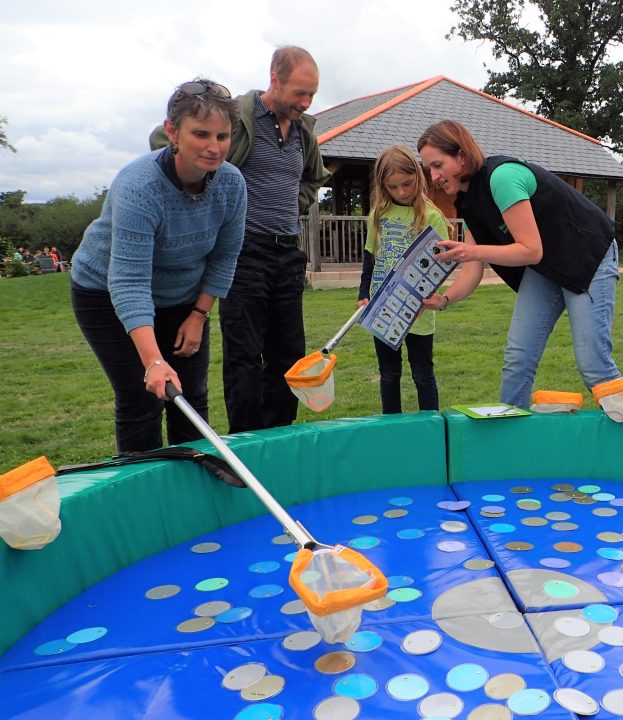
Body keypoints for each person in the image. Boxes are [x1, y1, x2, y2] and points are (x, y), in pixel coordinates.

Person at [151, 46, 331, 434]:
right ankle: (247, 445)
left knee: (289, 355)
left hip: (288, 253)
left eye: (312, 94)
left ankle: (279, 439)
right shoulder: (237, 117)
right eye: (299, 92)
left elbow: (313, 179)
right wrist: (212, 203)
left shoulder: (304, 133)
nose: (306, 102)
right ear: (275, 79)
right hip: (243, 251)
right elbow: (162, 142)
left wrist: (292, 203)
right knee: (244, 356)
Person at [71, 79, 246, 453]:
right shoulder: (139, 186)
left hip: (183, 297)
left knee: (191, 399)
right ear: (172, 132)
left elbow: (225, 256)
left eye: (222, 136)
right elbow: (129, 282)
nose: (214, 148)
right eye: (201, 134)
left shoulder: (232, 186)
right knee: (142, 397)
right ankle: (143, 505)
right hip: (105, 292)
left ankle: (195, 494)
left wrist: (198, 315)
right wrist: (153, 361)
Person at [417, 120, 622, 409]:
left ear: (461, 157)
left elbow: (530, 250)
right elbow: (473, 268)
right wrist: (445, 299)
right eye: (429, 169)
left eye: (437, 165)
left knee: (593, 364)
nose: (434, 176)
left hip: (587, 256)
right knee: (518, 358)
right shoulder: (466, 201)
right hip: (546, 266)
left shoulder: (502, 177)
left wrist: (471, 251)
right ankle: (510, 440)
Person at [357, 145, 449, 413]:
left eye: (407, 184)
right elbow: (369, 256)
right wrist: (364, 294)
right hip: (382, 309)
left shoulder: (432, 216)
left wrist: (426, 299)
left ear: (418, 177)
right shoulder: (378, 214)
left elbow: (439, 267)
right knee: (388, 374)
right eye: (393, 186)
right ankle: (392, 431)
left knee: (422, 374)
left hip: (417, 311)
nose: (402, 192)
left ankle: (430, 430)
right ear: (383, 185)